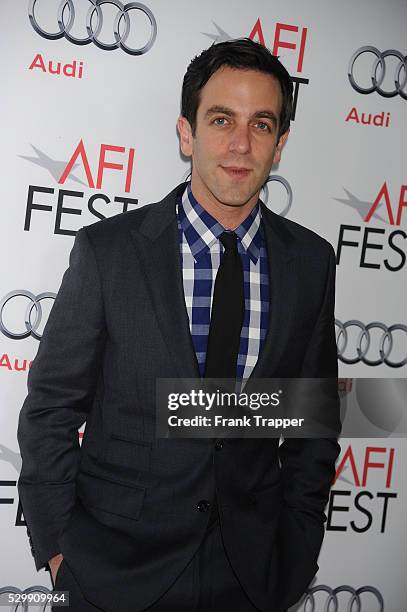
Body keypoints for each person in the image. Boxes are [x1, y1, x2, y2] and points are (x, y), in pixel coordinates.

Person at [17, 38, 341, 612]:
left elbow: (312, 423)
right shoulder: (109, 252)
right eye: (222, 120)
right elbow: (50, 408)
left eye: (261, 125)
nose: (241, 145)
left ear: (281, 144)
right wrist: (62, 549)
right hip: (114, 573)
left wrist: (298, 549)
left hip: (252, 578)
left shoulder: (311, 264)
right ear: (186, 133)